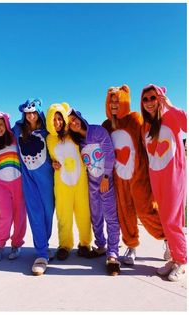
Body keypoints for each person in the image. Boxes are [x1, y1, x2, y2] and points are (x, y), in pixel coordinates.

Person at [102, 85, 165, 265]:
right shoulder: (106, 125)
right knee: (125, 213)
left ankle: (167, 237)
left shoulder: (135, 119)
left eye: (117, 100)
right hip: (119, 178)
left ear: (124, 100)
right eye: (111, 101)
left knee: (147, 210)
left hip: (138, 175)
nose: (114, 104)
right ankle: (131, 245)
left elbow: (150, 137)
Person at [140, 84, 187, 282]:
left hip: (174, 178)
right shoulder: (146, 126)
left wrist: (169, 104)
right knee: (166, 220)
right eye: (146, 99)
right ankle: (175, 258)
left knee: (172, 221)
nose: (150, 102)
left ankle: (182, 261)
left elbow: (186, 124)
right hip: (156, 178)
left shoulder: (171, 117)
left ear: (159, 98)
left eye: (153, 97)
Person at [68, 109, 121, 275]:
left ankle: (113, 254)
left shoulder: (97, 130)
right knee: (96, 217)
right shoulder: (78, 142)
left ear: (80, 117)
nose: (73, 123)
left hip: (106, 182)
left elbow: (109, 154)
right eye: (70, 123)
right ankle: (100, 246)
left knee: (111, 218)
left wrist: (106, 176)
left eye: (74, 119)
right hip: (92, 185)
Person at [13, 98, 54, 276]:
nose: (30, 115)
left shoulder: (47, 132)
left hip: (47, 181)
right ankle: (41, 255)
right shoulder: (18, 131)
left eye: (33, 112)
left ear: (38, 112)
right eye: (27, 112)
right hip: (29, 181)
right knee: (35, 214)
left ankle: (44, 244)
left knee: (47, 215)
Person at [46, 103, 92, 260]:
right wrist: (53, 163)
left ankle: (85, 243)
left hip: (80, 181)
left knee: (84, 214)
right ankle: (65, 245)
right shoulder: (49, 139)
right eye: (54, 119)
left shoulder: (73, 134)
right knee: (63, 215)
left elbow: (87, 142)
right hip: (62, 183)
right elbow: (50, 159)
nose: (57, 122)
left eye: (60, 118)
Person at [0, 112, 27, 262]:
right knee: (5, 215)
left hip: (18, 182)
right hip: (1, 183)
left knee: (19, 216)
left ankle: (16, 244)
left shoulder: (15, 138)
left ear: (6, 124)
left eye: (1, 125)